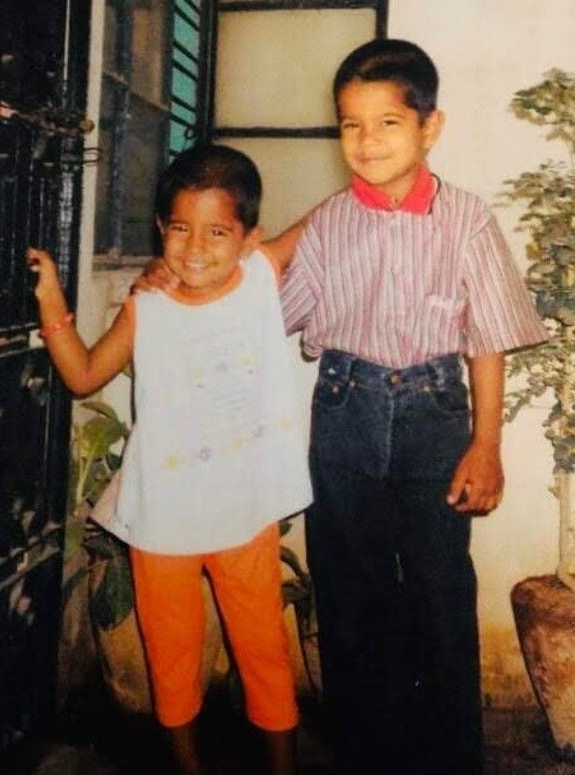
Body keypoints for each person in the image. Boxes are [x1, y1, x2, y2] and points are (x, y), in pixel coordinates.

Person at [136, 40, 547, 774]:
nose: (367, 141)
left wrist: (485, 445)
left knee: (439, 592)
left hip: (434, 419)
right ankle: (364, 753)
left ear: (430, 127)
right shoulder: (328, 222)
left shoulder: (468, 220)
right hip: (344, 413)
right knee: (349, 595)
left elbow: (486, 340)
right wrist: (177, 277)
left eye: (388, 122)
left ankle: (452, 759)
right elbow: (258, 299)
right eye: (350, 124)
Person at [27, 144, 312, 775]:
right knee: (172, 657)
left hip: (246, 514)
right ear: (161, 229)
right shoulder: (146, 306)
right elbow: (83, 375)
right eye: (180, 228)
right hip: (163, 521)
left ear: (249, 238)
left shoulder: (261, 274)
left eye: (217, 232)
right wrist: (51, 303)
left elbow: (328, 214)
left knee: (263, 651)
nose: (195, 247)